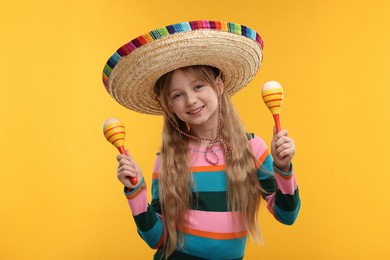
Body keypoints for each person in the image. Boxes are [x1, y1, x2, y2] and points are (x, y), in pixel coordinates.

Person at [102, 20, 301, 260]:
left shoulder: (252, 148)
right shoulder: (167, 160)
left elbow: (286, 215)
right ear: (169, 105)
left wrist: (283, 168)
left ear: (218, 86)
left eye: (198, 86)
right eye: (177, 95)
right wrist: (136, 190)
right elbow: (157, 239)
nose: (191, 100)